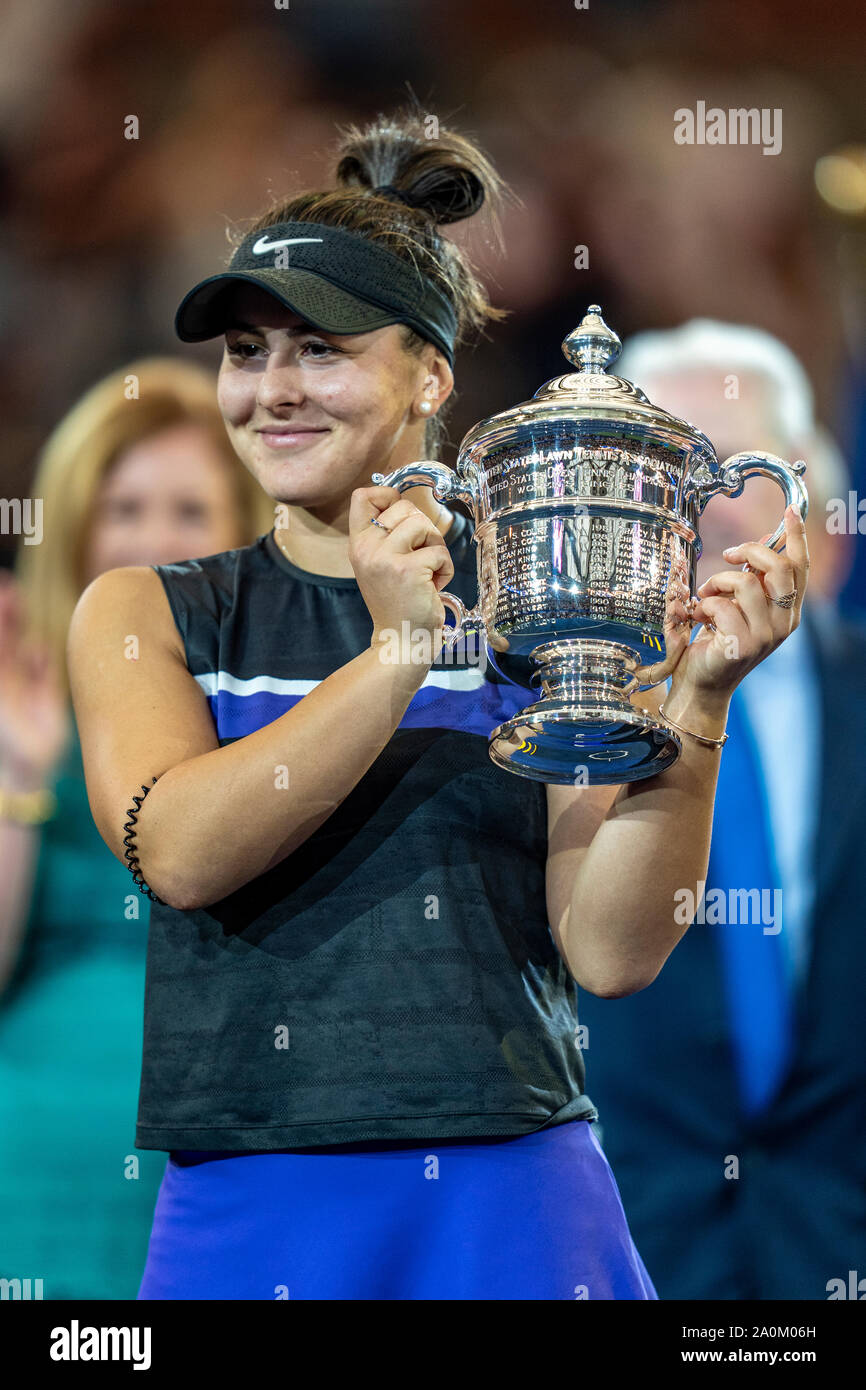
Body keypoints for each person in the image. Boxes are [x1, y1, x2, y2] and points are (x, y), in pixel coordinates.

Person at [66, 109, 810, 1302]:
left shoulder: (542, 606)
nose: (272, 390)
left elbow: (610, 950)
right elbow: (183, 851)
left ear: (430, 376)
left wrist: (698, 703)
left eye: (319, 349)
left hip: (510, 1191)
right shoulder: (147, 609)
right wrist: (396, 655)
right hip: (253, 1196)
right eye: (247, 353)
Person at [577, 318, 865, 1299]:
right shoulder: (542, 710)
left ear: (815, 515)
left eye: (732, 472)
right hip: (617, 1252)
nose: (700, 507)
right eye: (666, 468)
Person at [0, 357, 273, 1299]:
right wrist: (18, 775)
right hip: (39, 1148)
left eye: (190, 512)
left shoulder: (302, 714)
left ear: (248, 533)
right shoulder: (12, 697)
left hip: (248, 1150)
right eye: (126, 509)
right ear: (74, 534)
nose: (158, 540)